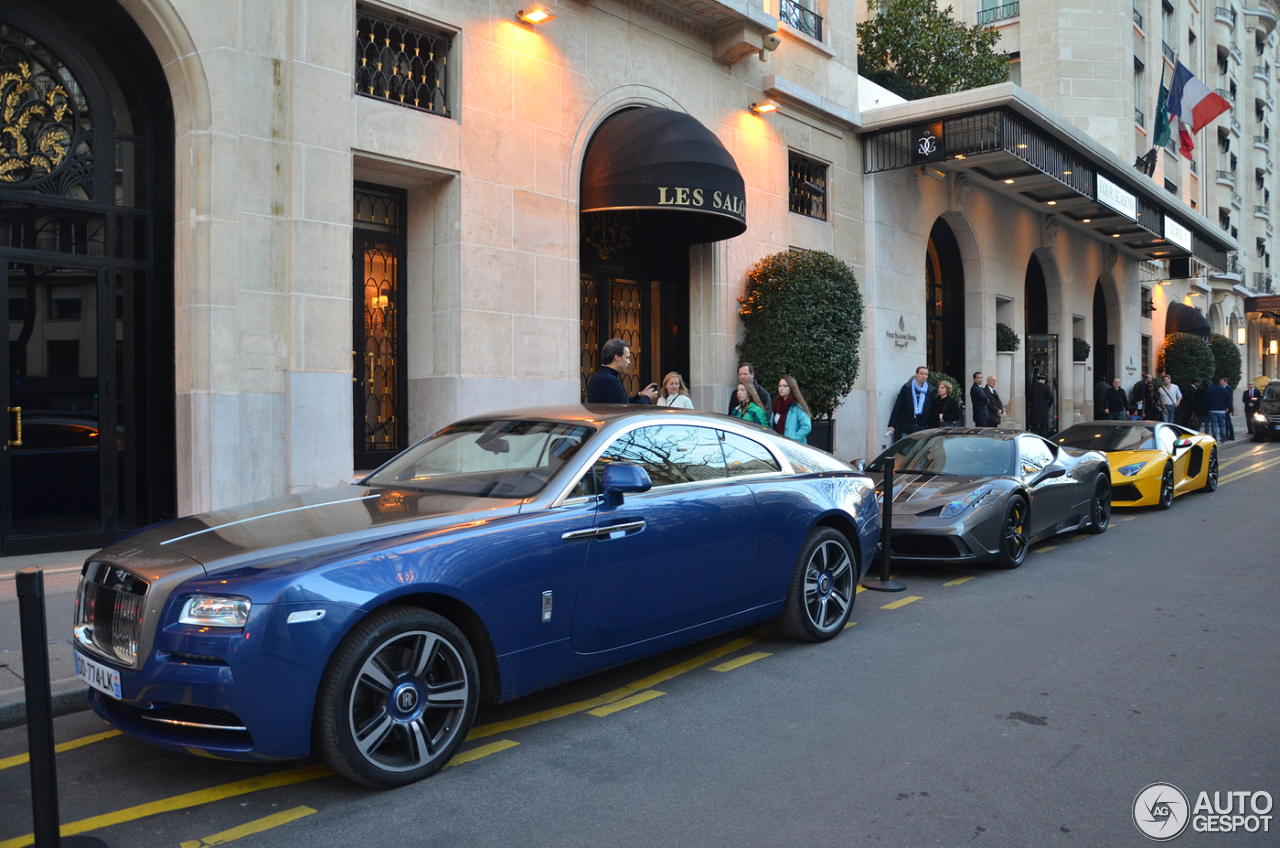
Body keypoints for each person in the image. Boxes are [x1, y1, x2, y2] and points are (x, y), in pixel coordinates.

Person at [585, 338, 658, 404]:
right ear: (617, 357)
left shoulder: (598, 376)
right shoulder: (610, 380)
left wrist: (640, 395)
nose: (629, 362)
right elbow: (627, 411)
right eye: (627, 358)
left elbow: (623, 404)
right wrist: (647, 397)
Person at [888, 366, 934, 437]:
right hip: (907, 426)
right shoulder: (907, 388)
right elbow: (898, 406)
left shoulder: (931, 390)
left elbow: (932, 410)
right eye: (921, 373)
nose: (924, 376)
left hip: (923, 427)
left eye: (926, 374)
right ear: (916, 374)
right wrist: (891, 425)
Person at [773, 375, 813, 443]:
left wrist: (794, 439)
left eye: (784, 386)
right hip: (779, 443)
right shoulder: (777, 404)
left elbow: (806, 426)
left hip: (792, 446)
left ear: (791, 387)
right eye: (779, 386)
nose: (781, 388)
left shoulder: (797, 405)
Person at [1204, 376, 1232, 442]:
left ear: (1212, 381)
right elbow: (1228, 399)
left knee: (1214, 425)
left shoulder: (1209, 389)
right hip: (1222, 410)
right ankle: (1223, 439)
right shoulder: (1223, 389)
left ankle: (1215, 438)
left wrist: (1207, 408)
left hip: (1212, 410)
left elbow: (1205, 400)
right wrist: (1227, 407)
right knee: (1222, 425)